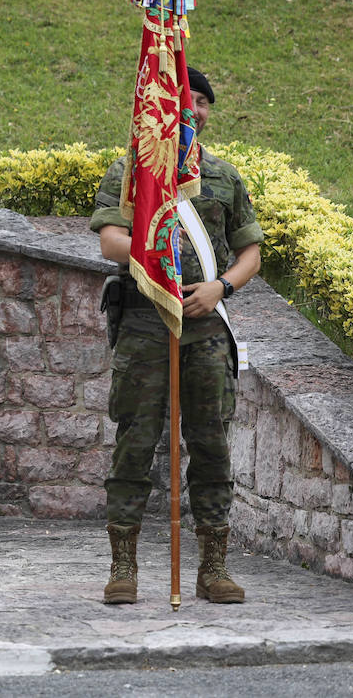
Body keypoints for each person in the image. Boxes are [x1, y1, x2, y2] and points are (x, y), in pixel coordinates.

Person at [88, 67, 263, 605]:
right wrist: (153, 254)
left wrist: (220, 288)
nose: (193, 111)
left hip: (206, 329)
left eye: (202, 103)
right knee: (135, 445)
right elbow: (112, 243)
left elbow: (251, 252)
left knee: (210, 445)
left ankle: (213, 568)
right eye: (182, 101)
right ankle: (124, 567)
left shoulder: (224, 177)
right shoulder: (131, 173)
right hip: (146, 324)